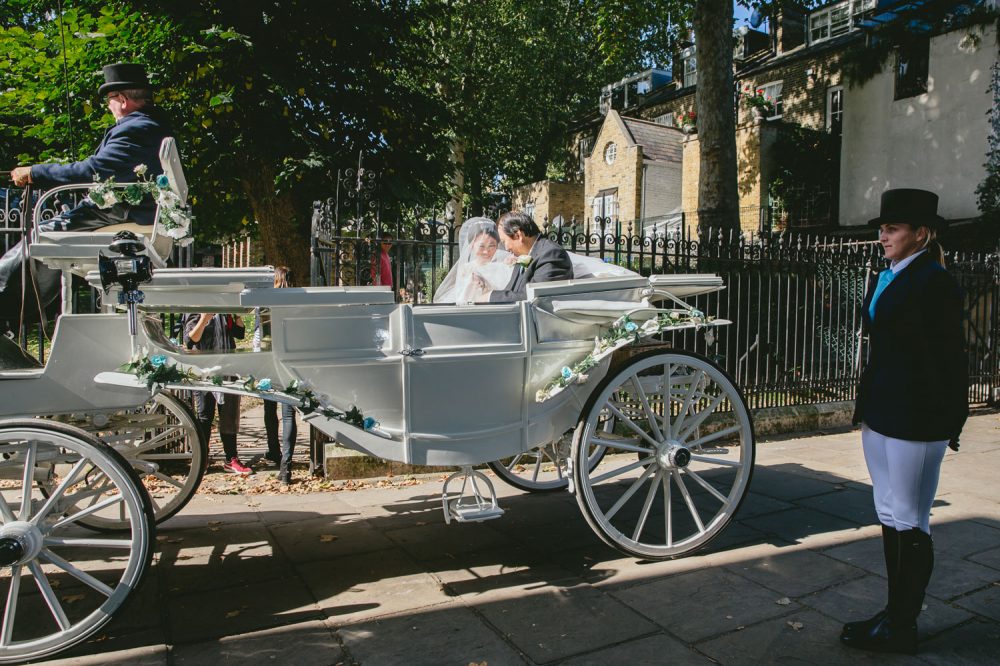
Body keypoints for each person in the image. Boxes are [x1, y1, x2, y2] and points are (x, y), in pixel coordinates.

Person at [841, 188, 968, 655]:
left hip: (917, 417)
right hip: (881, 412)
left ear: (921, 234)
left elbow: (950, 359)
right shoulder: (886, 277)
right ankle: (894, 613)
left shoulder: (936, 281)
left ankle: (902, 627)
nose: (883, 236)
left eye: (892, 229)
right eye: (882, 228)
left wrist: (949, 421)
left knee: (913, 521)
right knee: (890, 514)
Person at [1, 62, 173, 298]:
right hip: (134, 209)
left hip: (125, 210)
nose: (108, 107)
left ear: (122, 99)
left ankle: (4, 296)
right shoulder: (154, 125)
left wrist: (35, 173)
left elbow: (93, 170)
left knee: (43, 234)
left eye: (109, 99)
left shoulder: (135, 128)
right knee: (50, 231)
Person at [184, 312, 251, 476]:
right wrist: (204, 318)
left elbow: (240, 334)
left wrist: (237, 315)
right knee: (205, 415)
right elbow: (191, 340)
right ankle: (202, 458)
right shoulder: (194, 309)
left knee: (229, 414)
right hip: (204, 371)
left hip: (228, 368)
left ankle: (231, 459)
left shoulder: (224, 310)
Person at [258, 266, 298, 486]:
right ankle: (286, 467)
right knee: (289, 414)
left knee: (269, 409)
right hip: (289, 361)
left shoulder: (265, 304)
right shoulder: (295, 303)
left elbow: (259, 334)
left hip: (268, 359)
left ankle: (274, 451)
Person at [485, 211, 574, 303]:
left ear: (518, 235)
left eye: (504, 242)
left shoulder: (552, 254)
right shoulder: (524, 254)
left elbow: (536, 298)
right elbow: (512, 290)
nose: (506, 248)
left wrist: (489, 297)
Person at [433, 217, 514, 304]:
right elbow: (462, 298)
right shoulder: (466, 269)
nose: (486, 251)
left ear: (497, 245)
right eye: (481, 246)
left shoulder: (503, 265)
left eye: (491, 246)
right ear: (471, 246)